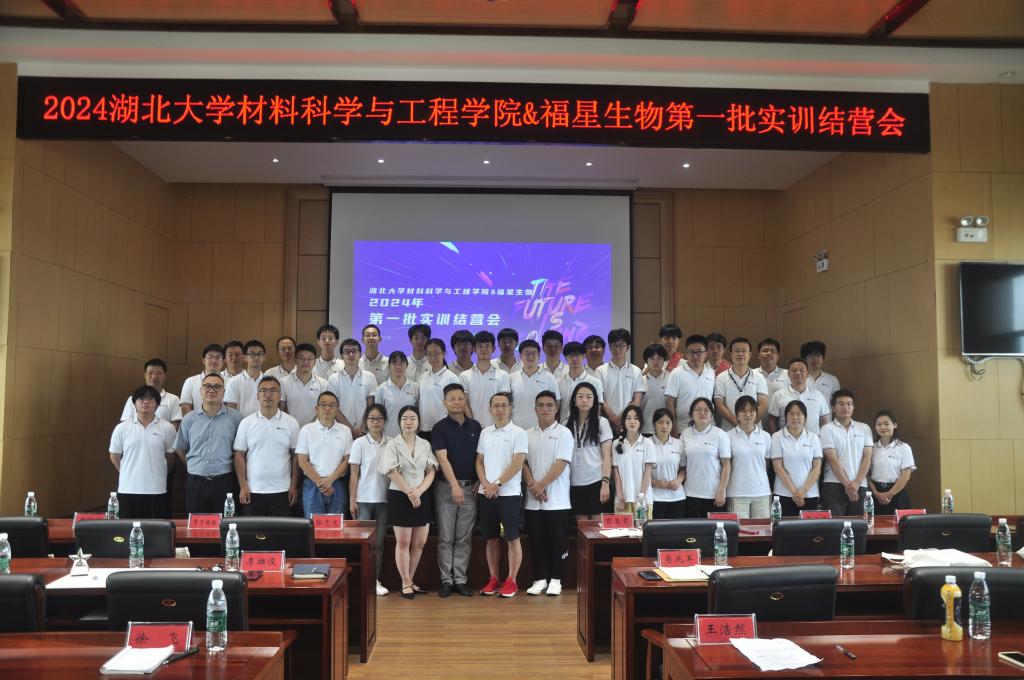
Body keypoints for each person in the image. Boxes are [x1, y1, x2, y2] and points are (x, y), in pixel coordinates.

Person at [378, 405, 437, 599]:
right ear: (399, 422)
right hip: (400, 495)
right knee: (403, 542)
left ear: (418, 422)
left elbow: (431, 471)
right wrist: (410, 493)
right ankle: (405, 582)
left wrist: (419, 491)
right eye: (404, 419)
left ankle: (410, 580)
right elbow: (391, 471)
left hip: (422, 495)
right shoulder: (392, 444)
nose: (408, 422)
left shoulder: (425, 444)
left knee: (419, 542)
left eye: (412, 418)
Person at [475, 392, 528, 598]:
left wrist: (497, 484)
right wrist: (486, 485)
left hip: (509, 494)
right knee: (491, 539)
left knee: (512, 538)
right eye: (496, 405)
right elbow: (479, 461)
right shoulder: (485, 432)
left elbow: (517, 463)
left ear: (510, 408)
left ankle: (512, 581)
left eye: (504, 405)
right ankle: (494, 578)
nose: (500, 409)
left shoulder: (519, 433)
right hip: (486, 494)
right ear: (490, 409)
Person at [431, 383, 481, 597]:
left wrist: (479, 480)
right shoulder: (439, 428)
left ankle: (460, 579)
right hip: (446, 488)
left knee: (464, 537)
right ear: (445, 403)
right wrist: (454, 486)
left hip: (471, 489)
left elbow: (481, 458)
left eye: (460, 398)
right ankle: (446, 580)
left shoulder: (476, 426)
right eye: (452, 399)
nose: (457, 402)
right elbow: (442, 459)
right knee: (445, 537)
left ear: (465, 400)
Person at [523, 390, 574, 596]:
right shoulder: (526, 434)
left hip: (557, 500)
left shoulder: (564, 433)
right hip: (532, 500)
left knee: (557, 541)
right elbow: (523, 463)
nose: (545, 408)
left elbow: (561, 463)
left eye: (549, 405)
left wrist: (541, 485)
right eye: (541, 405)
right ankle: (540, 579)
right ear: (535, 409)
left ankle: (556, 579)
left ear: (556, 408)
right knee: (537, 541)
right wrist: (532, 485)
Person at [175, 372, 243, 515]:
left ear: (224, 391)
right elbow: (180, 448)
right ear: (201, 390)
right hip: (195, 482)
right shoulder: (189, 419)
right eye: (207, 386)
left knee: (225, 523)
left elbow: (241, 450)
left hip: (224, 481)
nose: (212, 390)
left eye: (217, 387)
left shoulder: (236, 418)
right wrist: (192, 465)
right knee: (196, 524)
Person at [233, 376, 301, 516]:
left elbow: (296, 456)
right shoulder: (246, 423)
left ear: (280, 396)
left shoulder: (291, 422)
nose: (268, 394)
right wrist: (243, 485)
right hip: (253, 490)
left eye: (273, 390)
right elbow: (239, 455)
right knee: (254, 530)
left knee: (281, 530)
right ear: (257, 396)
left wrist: (294, 486)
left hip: (282, 490)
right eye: (263, 390)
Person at [109, 385, 178, 519]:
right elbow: (114, 456)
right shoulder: (121, 428)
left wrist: (161, 471)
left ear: (157, 404)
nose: (146, 402)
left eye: (151, 399)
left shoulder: (167, 428)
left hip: (157, 489)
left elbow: (171, 458)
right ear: (134, 403)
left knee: (155, 528)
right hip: (127, 489)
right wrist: (127, 471)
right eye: (141, 399)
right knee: (127, 529)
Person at [348, 404, 391, 596]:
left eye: (379, 418)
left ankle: (375, 580)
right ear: (366, 421)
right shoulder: (359, 443)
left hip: (384, 500)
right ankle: (362, 580)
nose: (375, 422)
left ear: (385, 421)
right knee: (364, 543)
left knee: (379, 543)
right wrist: (352, 500)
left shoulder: (391, 443)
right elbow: (354, 475)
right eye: (371, 418)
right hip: (363, 499)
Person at [295, 390, 352, 518]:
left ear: (337, 409)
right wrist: (320, 482)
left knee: (336, 526)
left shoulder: (345, 431)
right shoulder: (306, 430)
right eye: (323, 405)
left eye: (332, 405)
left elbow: (346, 461)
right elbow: (302, 461)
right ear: (316, 408)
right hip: (312, 483)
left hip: (337, 484)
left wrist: (330, 480)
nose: (327, 408)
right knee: (313, 526)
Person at [819, 389, 873, 517]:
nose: (845, 407)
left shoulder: (864, 428)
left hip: (860, 485)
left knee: (859, 525)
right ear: (833, 407)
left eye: (849, 404)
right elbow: (832, 459)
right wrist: (848, 486)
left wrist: (857, 482)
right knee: (834, 526)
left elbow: (867, 457)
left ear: (853, 407)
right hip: (834, 484)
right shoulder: (827, 429)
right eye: (841, 403)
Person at [566, 382, 613, 520]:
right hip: (574, 483)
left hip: (596, 482)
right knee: (582, 528)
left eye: (588, 397)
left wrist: (605, 483)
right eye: (580, 396)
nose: (584, 400)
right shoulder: (565, 424)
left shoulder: (602, 423)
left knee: (597, 528)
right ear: (574, 400)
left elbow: (607, 456)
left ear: (594, 401)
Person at [770, 400, 824, 516]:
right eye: (791, 414)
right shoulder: (777, 437)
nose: (795, 417)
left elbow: (817, 468)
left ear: (805, 417)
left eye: (799, 414)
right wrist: (796, 493)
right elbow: (778, 468)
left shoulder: (813, 438)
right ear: (785, 417)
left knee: (809, 527)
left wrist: (803, 491)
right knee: (784, 527)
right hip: (783, 494)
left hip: (809, 494)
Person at [680, 398, 731, 517]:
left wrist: (722, 490)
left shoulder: (720, 434)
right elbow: (682, 466)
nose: (702, 413)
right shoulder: (685, 434)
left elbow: (727, 465)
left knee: (715, 528)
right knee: (694, 529)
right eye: (698, 410)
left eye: (706, 410)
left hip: (714, 494)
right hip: (690, 493)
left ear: (712, 415)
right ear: (691, 414)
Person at [725, 396, 772, 518]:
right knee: (738, 528)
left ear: (756, 413)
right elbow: (725, 465)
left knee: (763, 528)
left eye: (751, 411)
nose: (748, 414)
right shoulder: (727, 436)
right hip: (737, 492)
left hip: (762, 491)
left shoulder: (765, 436)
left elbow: (766, 463)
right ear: (737, 414)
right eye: (743, 411)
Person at [664, 334, 716, 437]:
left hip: (708, 428)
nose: (695, 356)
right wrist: (673, 430)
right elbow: (670, 403)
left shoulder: (711, 372)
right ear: (686, 354)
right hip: (683, 428)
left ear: (706, 354)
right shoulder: (676, 373)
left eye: (699, 352)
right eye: (691, 352)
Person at [596, 328, 645, 434]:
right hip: (607, 423)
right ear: (609, 348)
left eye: (621, 345)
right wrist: (613, 418)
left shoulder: (636, 371)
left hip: (629, 423)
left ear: (628, 348)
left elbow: (637, 400)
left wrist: (622, 419)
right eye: (614, 345)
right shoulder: (600, 370)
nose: (617, 349)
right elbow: (600, 398)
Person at [713, 337, 768, 432]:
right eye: (737, 351)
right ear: (731, 354)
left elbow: (763, 404)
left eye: (744, 351)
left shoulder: (759, 377)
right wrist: (738, 425)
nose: (740, 354)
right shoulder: (721, 377)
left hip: (754, 430)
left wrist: (750, 425)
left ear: (750, 354)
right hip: (729, 430)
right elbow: (720, 405)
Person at [459, 330, 510, 428]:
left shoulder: (503, 375)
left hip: (497, 426)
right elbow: (465, 403)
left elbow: (503, 403)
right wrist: (472, 423)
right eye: (480, 346)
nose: (484, 349)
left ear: (493, 349)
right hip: (473, 426)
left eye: (487, 346)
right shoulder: (464, 376)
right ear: (474, 349)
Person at [326, 338, 376, 437]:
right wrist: (350, 430)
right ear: (341, 356)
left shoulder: (370, 377)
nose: (351, 354)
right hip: (341, 431)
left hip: (364, 431)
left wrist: (363, 428)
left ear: (360, 354)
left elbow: (370, 406)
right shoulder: (333, 379)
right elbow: (334, 407)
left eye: (354, 351)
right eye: (347, 352)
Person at [868, 410, 915, 514]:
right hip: (875, 494)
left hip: (897, 493)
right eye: (879, 424)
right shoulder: (871, 448)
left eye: (886, 424)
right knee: (874, 523)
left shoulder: (904, 447)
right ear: (875, 427)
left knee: (899, 523)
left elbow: (906, 475)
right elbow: (867, 474)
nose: (883, 427)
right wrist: (875, 493)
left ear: (894, 425)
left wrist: (890, 494)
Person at [766, 358, 830, 434]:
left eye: (801, 370)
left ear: (807, 374)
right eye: (794, 370)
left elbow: (824, 420)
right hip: (786, 439)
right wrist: (774, 437)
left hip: (813, 439)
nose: (798, 373)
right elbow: (771, 420)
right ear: (788, 374)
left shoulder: (818, 395)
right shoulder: (779, 395)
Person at [611, 405, 654, 513]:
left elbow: (648, 473)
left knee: (641, 524)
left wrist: (641, 499)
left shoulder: (647, 443)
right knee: (622, 525)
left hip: (643, 500)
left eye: (636, 418)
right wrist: (620, 497)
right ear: (623, 421)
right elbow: (616, 473)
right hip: (622, 500)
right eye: (628, 418)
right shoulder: (616, 444)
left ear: (641, 422)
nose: (632, 421)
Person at [509, 339, 560, 430]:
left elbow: (557, 403)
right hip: (516, 429)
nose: (530, 356)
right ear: (520, 356)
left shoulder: (549, 378)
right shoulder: (511, 377)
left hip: (541, 429)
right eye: (527, 353)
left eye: (534, 353)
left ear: (539, 356)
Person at [417, 338, 461, 435]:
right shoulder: (422, 377)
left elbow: (457, 406)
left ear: (444, 353)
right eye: (429, 354)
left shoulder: (452, 378)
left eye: (436, 353)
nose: (433, 357)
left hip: (445, 429)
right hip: (424, 428)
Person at [120, 358, 183, 426]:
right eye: (150, 373)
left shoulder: (173, 399)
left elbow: (176, 425)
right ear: (145, 375)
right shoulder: (133, 399)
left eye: (159, 373)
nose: (154, 376)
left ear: (165, 375)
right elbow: (125, 424)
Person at [648, 408, 686, 519]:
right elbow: (639, 472)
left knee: (676, 529)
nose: (664, 426)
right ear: (654, 424)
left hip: (677, 497)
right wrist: (654, 482)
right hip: (654, 497)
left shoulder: (679, 444)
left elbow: (683, 469)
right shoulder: (646, 443)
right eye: (660, 422)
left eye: (668, 422)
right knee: (656, 529)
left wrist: (678, 480)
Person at [279, 343, 328, 426]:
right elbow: (282, 409)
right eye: (301, 358)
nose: (306, 362)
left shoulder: (323, 384)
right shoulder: (284, 382)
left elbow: (323, 409)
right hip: (290, 427)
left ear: (314, 362)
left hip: (314, 429)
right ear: (295, 360)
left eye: (310, 359)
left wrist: (310, 428)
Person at [374, 351, 420, 437]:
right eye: (394, 363)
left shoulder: (415, 387)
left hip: (410, 436)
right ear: (389, 366)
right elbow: (379, 415)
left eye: (401, 363)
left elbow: (418, 412)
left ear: (407, 365)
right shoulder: (381, 389)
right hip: (389, 437)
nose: (398, 366)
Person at [558, 341, 604, 422]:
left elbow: (598, 408)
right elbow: (557, 409)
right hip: (564, 426)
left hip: (588, 426)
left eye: (577, 355)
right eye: (571, 356)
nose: (574, 359)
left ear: (584, 356)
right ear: (565, 358)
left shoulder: (595, 382)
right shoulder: (558, 382)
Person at [751, 338, 789, 429]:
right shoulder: (751, 374)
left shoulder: (788, 375)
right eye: (765, 351)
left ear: (778, 356)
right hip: (755, 424)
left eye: (773, 351)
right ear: (758, 355)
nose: (769, 353)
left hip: (781, 426)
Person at [224, 339, 267, 417]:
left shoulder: (269, 381)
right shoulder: (234, 381)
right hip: (240, 424)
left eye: (259, 354)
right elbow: (231, 411)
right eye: (252, 354)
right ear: (245, 357)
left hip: (264, 423)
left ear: (264, 357)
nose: (256, 357)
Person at [180, 344, 226, 416]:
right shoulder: (190, 381)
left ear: (223, 361)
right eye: (210, 357)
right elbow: (185, 406)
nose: (214, 360)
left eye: (218, 357)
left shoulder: (231, 382)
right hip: (196, 422)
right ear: (204, 360)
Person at [639, 344, 669, 435]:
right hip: (645, 429)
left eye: (659, 358)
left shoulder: (671, 378)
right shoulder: (640, 381)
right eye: (652, 358)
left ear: (664, 360)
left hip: (666, 429)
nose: (655, 362)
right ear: (646, 361)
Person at [802, 340, 841, 405]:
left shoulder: (832, 380)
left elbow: (838, 403)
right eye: (811, 356)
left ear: (823, 358)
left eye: (818, 355)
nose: (815, 358)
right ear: (804, 359)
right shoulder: (798, 378)